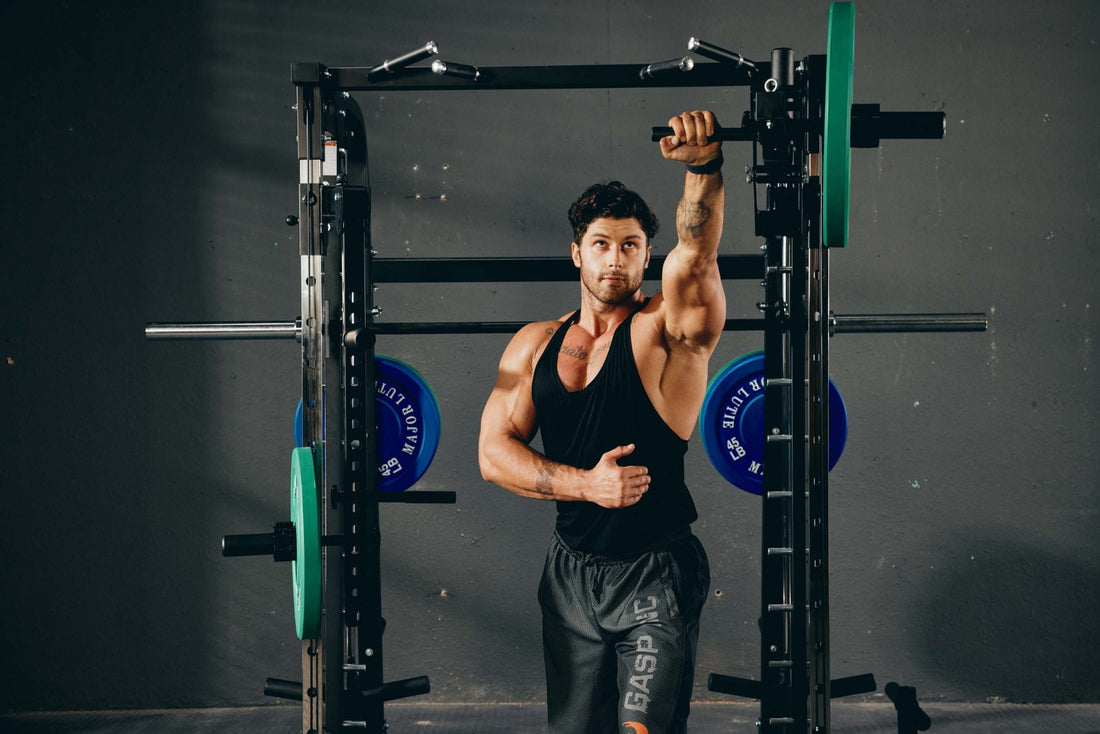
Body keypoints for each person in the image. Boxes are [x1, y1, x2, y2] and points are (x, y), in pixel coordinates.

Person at [478, 110, 726, 734]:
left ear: (647, 253)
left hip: (654, 572)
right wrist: (586, 484)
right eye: (601, 244)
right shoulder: (534, 345)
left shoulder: (665, 333)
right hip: (569, 576)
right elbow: (492, 454)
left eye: (631, 246)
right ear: (576, 254)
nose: (615, 260)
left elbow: (696, 256)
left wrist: (703, 171)